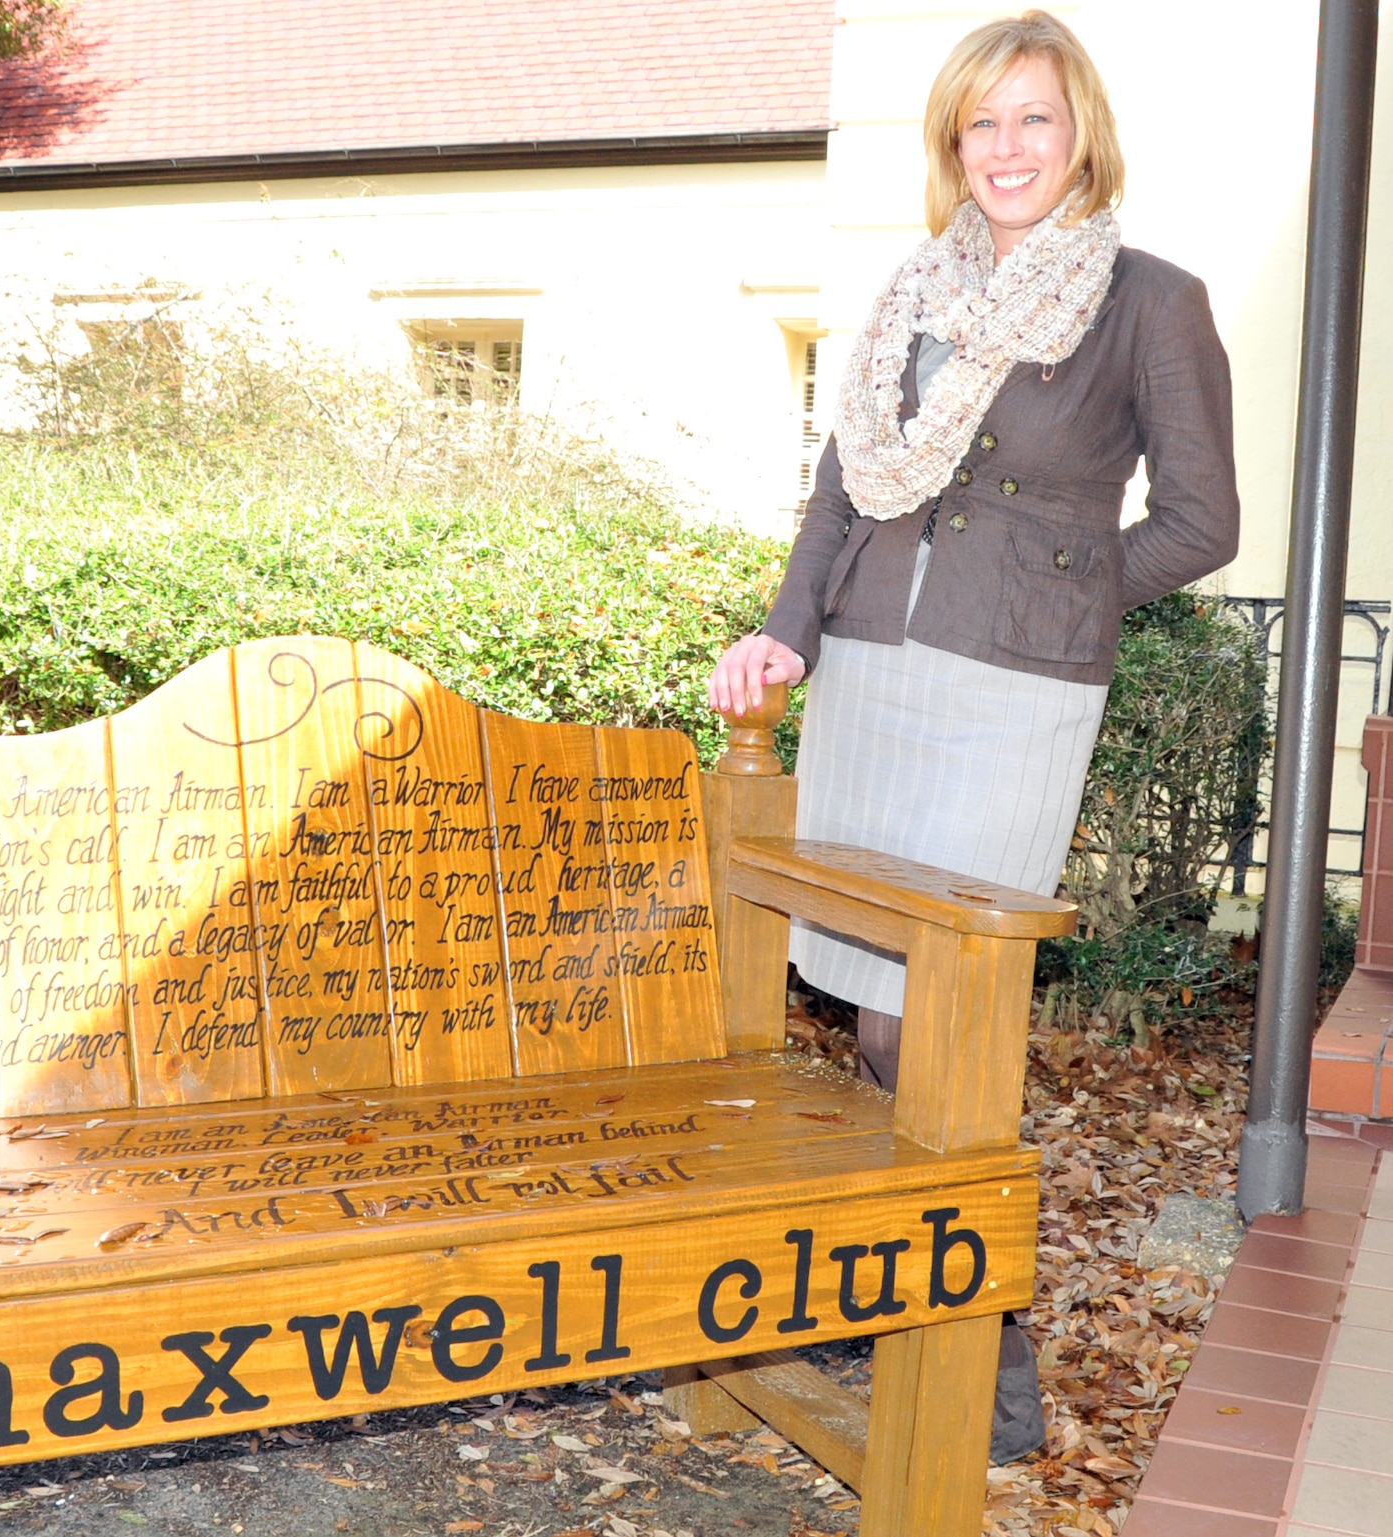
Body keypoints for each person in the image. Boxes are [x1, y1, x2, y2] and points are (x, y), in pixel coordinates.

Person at [709, 10, 1238, 1462]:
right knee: (863, 1017)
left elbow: (1203, 522)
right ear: (954, 146)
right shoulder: (912, 292)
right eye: (980, 125)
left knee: (924, 1021)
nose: (1006, 150)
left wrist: (1061, 597)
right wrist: (787, 632)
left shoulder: (1148, 302)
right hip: (870, 678)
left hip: (1015, 699)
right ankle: (903, 1301)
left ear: (1083, 140)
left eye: (1035, 123)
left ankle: (984, 1365)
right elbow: (841, 487)